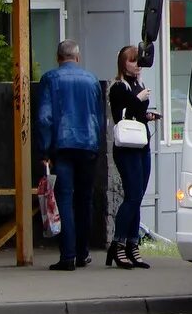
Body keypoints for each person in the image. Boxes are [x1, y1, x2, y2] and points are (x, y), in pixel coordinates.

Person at [36, 40, 104, 271]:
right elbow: (98, 116)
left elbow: (45, 117)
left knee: (64, 198)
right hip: (88, 146)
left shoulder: (50, 79)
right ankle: (83, 253)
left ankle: (67, 256)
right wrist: (97, 145)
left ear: (58, 58)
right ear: (77, 57)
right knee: (84, 200)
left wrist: (45, 150)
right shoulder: (92, 80)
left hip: (62, 147)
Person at [108, 45, 161, 269]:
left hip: (141, 143)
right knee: (131, 195)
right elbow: (120, 115)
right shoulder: (118, 87)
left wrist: (147, 115)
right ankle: (118, 243)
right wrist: (138, 99)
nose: (137, 65)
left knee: (138, 196)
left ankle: (132, 243)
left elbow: (135, 114)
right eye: (132, 61)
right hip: (126, 147)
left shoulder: (139, 84)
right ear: (123, 63)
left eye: (138, 61)